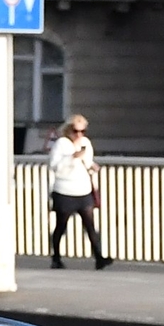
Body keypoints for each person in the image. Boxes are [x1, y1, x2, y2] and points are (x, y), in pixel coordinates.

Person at [46, 114, 110, 270]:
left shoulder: (86, 143)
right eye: (76, 131)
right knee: (61, 225)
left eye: (83, 131)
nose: (79, 135)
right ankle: (56, 258)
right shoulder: (61, 144)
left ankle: (99, 257)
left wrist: (92, 165)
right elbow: (54, 165)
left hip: (83, 190)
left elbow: (87, 161)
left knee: (90, 225)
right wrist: (72, 158)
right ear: (69, 130)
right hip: (65, 190)